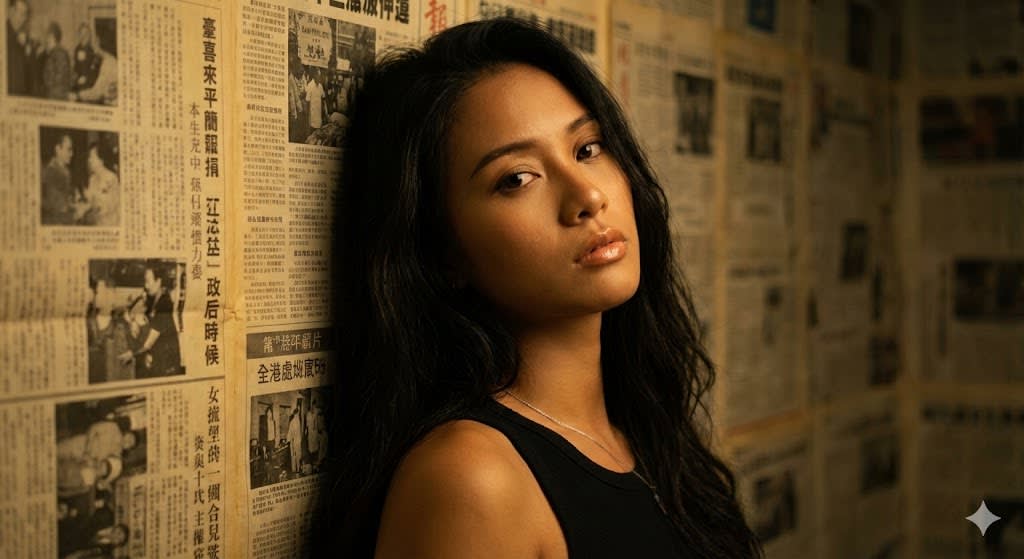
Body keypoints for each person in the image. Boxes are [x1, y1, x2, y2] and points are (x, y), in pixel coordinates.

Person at [327, 18, 762, 558]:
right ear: (443, 252)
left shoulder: (647, 434)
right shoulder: (472, 476)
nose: (587, 195)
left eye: (588, 148)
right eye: (516, 178)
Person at [120, 263, 182, 377]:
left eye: (148, 281)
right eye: (145, 281)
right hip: (156, 359)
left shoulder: (164, 303)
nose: (146, 285)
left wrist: (131, 353)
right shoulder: (152, 300)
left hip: (167, 365)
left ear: (158, 282)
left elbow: (148, 342)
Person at [41, 133, 80, 225]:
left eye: (72, 150)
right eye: (69, 149)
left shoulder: (65, 170)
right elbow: (57, 209)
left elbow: (65, 200)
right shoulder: (51, 171)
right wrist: (78, 212)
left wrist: (74, 203)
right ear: (58, 149)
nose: (72, 154)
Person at [80, 142, 119, 226]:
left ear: (101, 160)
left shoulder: (111, 178)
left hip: (109, 225)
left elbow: (107, 207)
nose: (89, 160)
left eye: (92, 157)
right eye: (89, 157)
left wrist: (91, 208)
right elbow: (90, 202)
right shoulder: (92, 179)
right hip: (96, 225)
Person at [6, 0, 31, 95]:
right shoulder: (5, 34)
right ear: (11, 11)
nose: (23, 19)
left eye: (25, 14)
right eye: (21, 13)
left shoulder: (22, 37)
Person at [42, 22, 71, 100]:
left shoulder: (60, 53)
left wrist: (49, 84)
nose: (45, 39)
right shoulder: (52, 52)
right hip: (53, 93)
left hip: (57, 95)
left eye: (47, 35)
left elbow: (60, 76)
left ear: (52, 36)